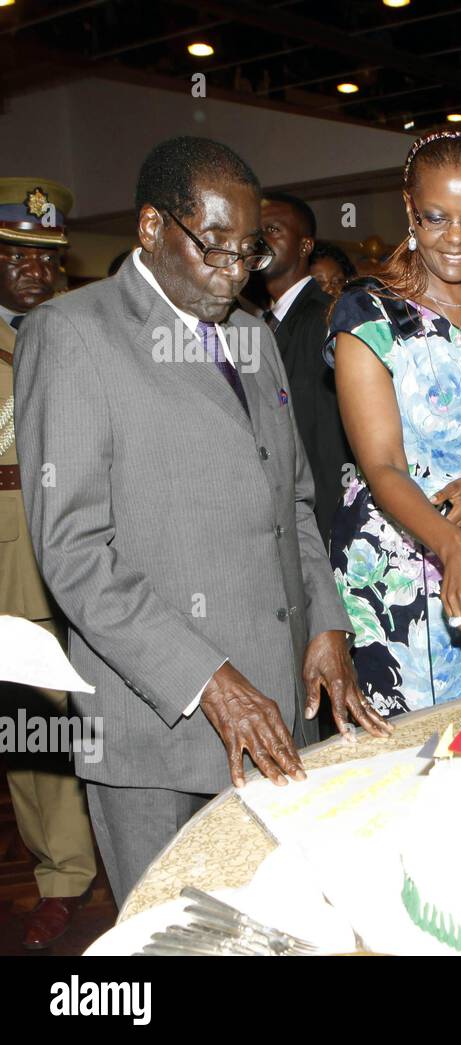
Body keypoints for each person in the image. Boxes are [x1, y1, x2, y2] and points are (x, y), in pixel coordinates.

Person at [15, 137, 390, 905]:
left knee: (273, 922)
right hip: (159, 731)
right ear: (151, 226)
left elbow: (290, 497)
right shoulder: (73, 333)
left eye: (249, 251)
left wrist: (324, 622)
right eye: (213, 246)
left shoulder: (252, 335)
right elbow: (75, 553)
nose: (233, 270)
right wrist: (207, 681)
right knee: (172, 934)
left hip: (278, 712)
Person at [328, 127, 461, 714]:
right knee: (414, 765)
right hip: (397, 568)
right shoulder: (368, 314)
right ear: (410, 210)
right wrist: (452, 546)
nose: (456, 238)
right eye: (436, 217)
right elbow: (382, 465)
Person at [0, 177, 98, 947]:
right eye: (16, 257)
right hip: (15, 562)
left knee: (120, 711)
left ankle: (140, 847)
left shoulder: (86, 330)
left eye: (47, 260)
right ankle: (63, 871)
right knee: (33, 726)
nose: (36, 273)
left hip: (106, 552)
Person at [259, 192, 351, 541]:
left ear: (304, 245)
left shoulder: (323, 317)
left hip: (320, 521)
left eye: (273, 230)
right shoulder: (267, 321)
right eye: (256, 232)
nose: (260, 240)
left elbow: (328, 438)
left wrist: (326, 533)